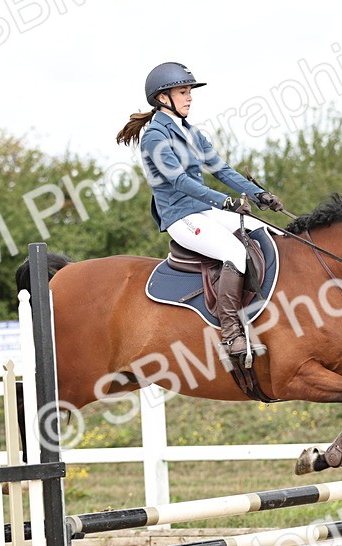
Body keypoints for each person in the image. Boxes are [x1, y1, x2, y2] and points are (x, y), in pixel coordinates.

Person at [116, 62, 287, 366]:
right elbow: (179, 181)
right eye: (183, 92)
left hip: (203, 210)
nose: (189, 97)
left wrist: (258, 194)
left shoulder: (190, 131)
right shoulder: (155, 136)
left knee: (264, 230)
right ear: (163, 97)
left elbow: (221, 169)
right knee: (233, 251)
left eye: (189, 92)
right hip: (182, 217)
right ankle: (231, 333)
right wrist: (225, 202)